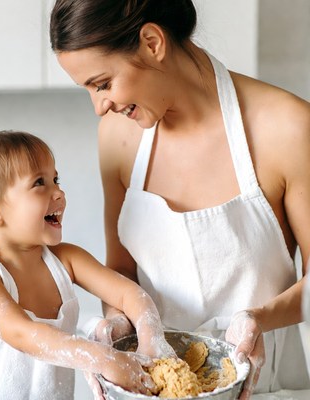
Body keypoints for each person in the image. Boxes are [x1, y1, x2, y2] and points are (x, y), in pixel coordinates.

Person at [50, 0, 310, 398]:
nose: (99, 106)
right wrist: (117, 324)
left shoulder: (286, 127)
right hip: (154, 385)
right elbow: (121, 269)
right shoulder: (118, 137)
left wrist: (257, 319)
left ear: (152, 42)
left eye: (102, 83)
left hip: (264, 385)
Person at [0, 131, 176, 400]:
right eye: (40, 183)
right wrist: (103, 358)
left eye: (55, 179)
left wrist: (151, 341)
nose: (59, 192)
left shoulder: (67, 259)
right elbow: (22, 333)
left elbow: (129, 294)